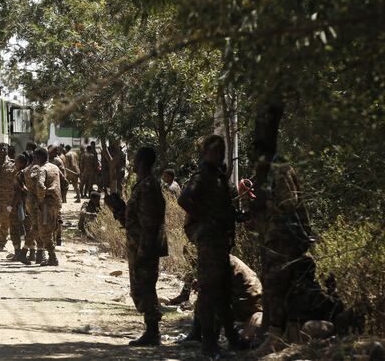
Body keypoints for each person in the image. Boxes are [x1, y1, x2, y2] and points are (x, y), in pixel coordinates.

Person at [247, 142, 341, 355]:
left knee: (277, 284)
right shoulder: (273, 170)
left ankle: (278, 336)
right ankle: (280, 334)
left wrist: (266, 203)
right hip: (279, 237)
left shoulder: (280, 169)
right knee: (277, 284)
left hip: (285, 239)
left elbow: (289, 201)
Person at [178, 135, 244, 356]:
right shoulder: (203, 175)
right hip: (209, 241)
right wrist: (207, 218)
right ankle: (208, 343)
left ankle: (232, 338)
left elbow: (222, 206)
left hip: (220, 241)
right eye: (215, 150)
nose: (219, 154)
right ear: (206, 152)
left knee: (224, 291)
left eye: (221, 150)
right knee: (209, 291)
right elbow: (184, 199)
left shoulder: (218, 176)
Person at [124, 147, 168, 346]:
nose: (132, 161)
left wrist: (143, 250)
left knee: (145, 287)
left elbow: (149, 222)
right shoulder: (143, 184)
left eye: (135, 158)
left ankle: (153, 332)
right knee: (140, 287)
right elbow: (137, 217)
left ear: (141, 161)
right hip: (138, 244)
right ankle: (151, 330)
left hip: (144, 246)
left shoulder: (148, 186)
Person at [31, 147, 63, 267]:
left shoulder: (42, 169)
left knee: (44, 230)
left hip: (46, 205)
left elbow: (40, 185)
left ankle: (52, 257)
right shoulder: (54, 167)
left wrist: (40, 199)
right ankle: (51, 256)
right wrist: (60, 196)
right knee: (51, 228)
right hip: (56, 204)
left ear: (39, 158)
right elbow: (64, 182)